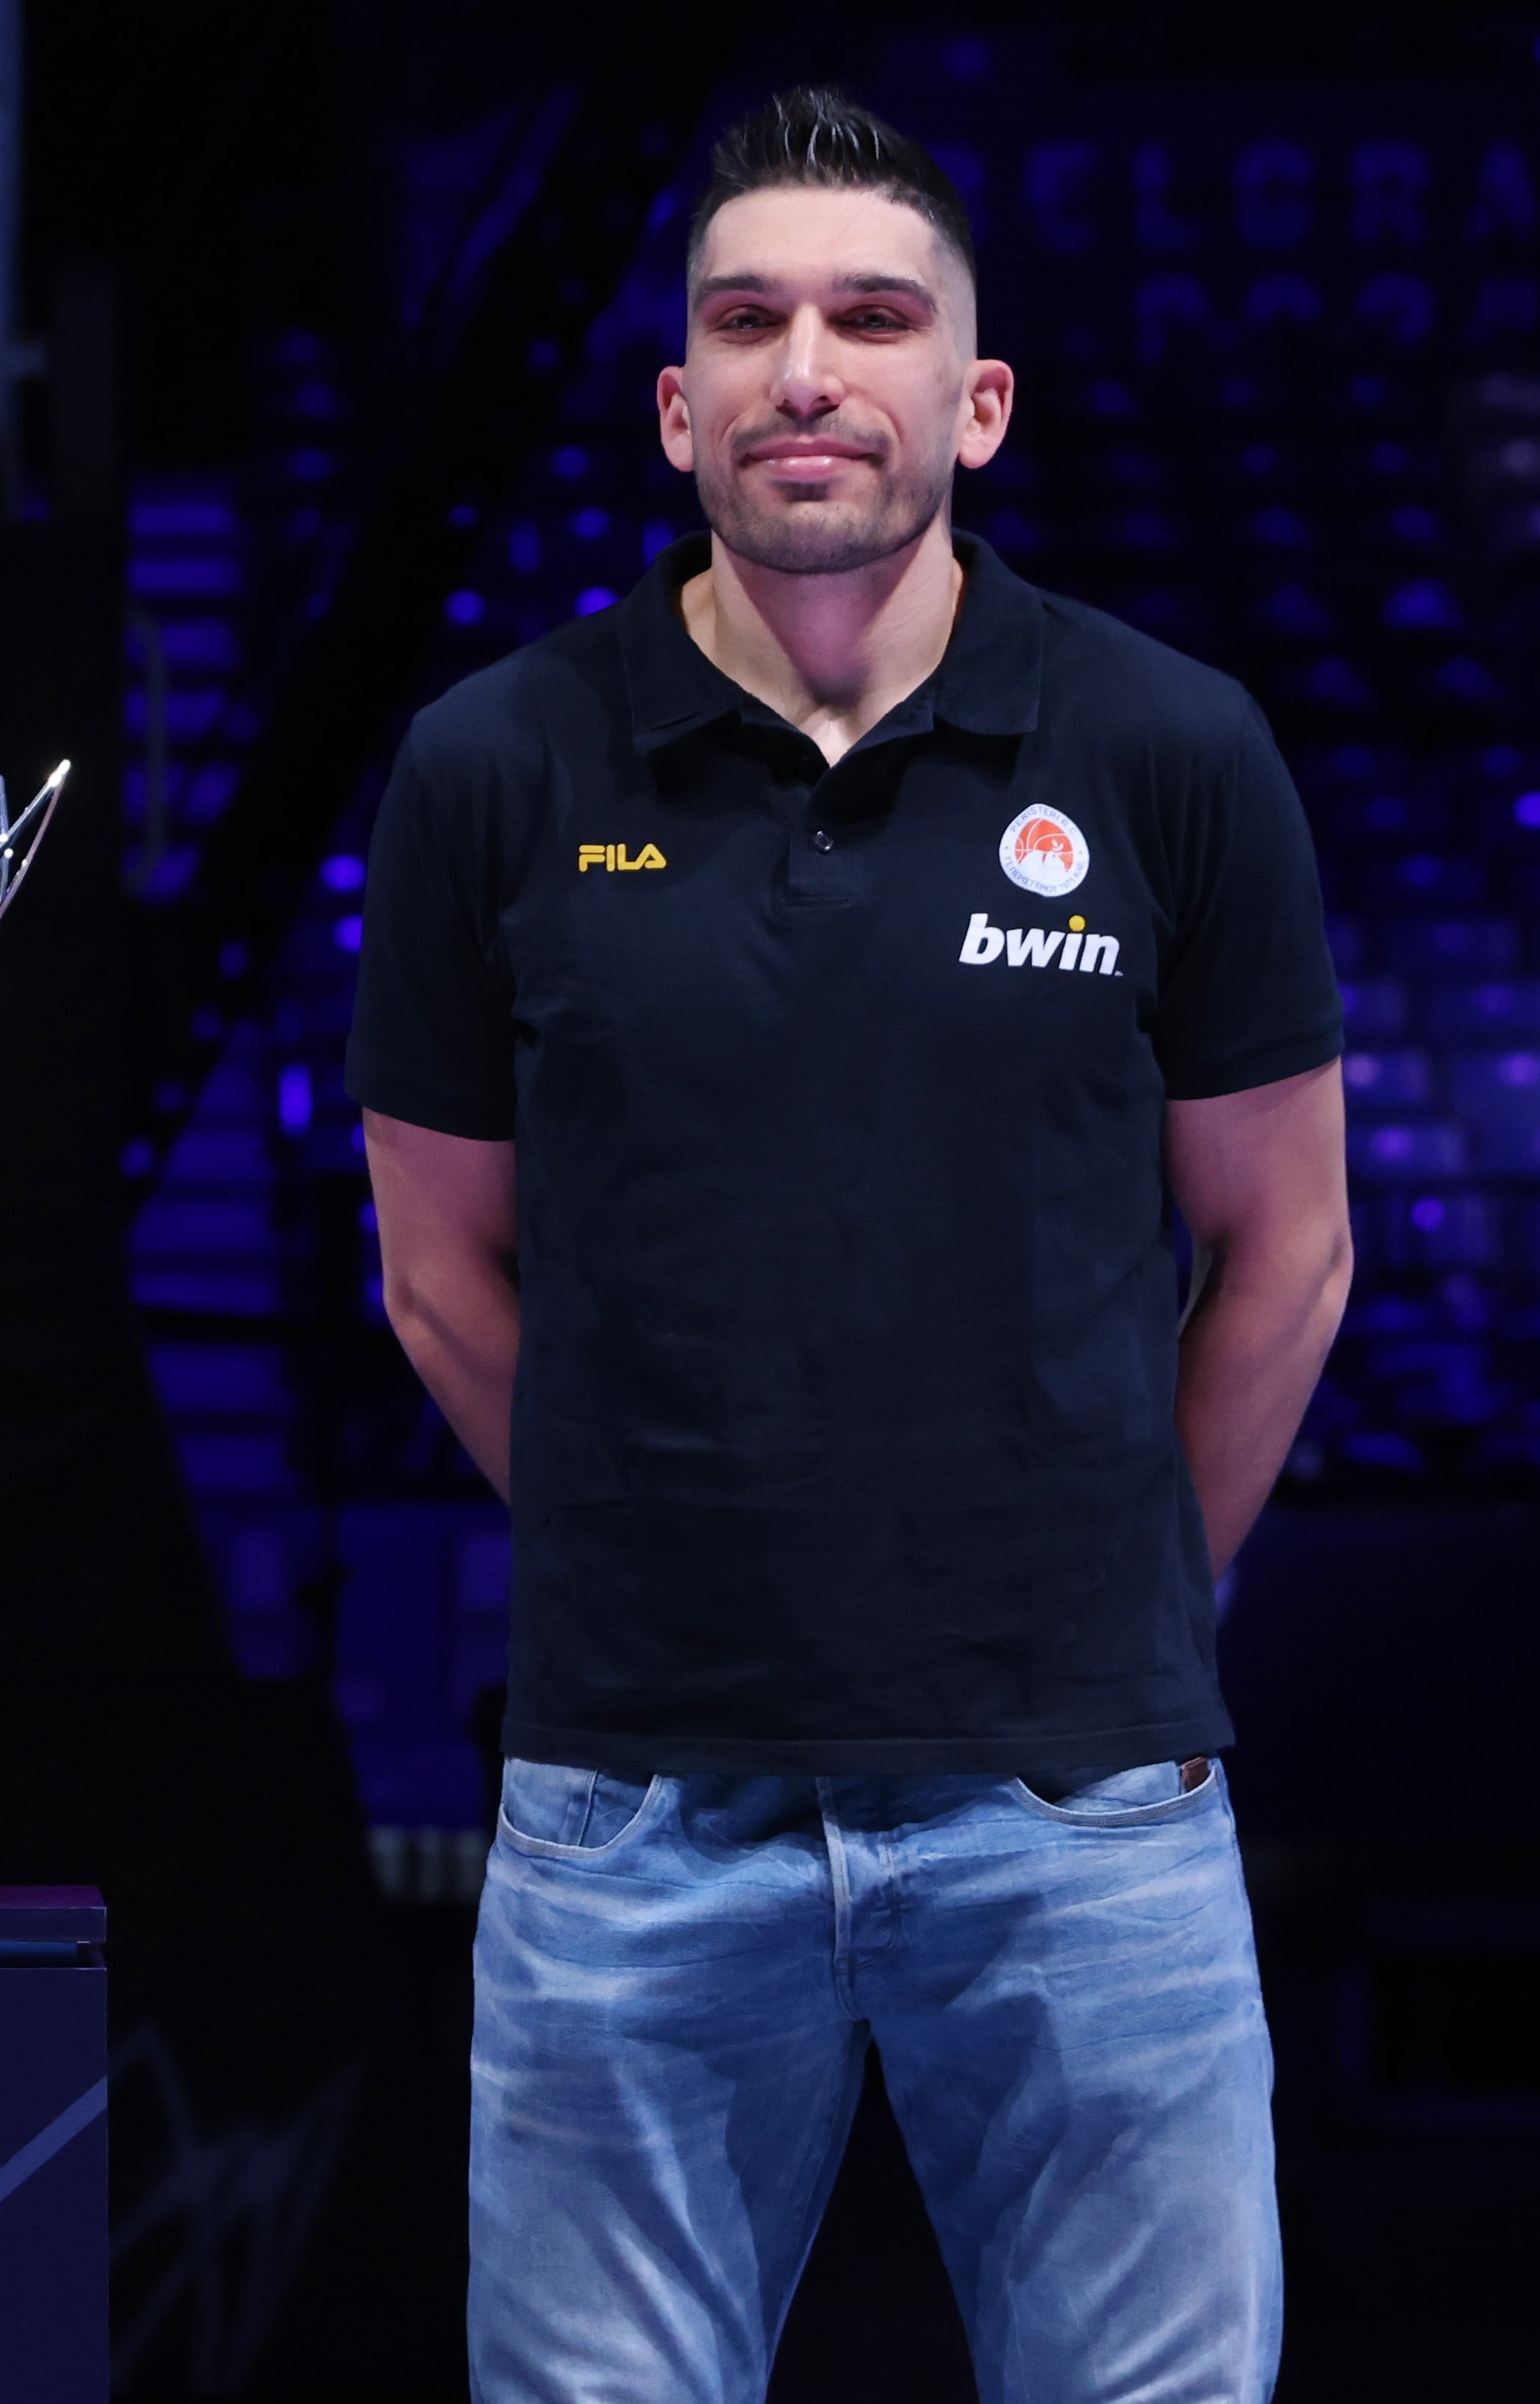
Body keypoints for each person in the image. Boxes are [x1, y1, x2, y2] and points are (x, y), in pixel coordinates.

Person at [350, 88, 1348, 2402]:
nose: (808, 368)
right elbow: (436, 1272)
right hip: (635, 1807)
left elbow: (1287, 1251)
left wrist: (1109, 1597)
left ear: (975, 403)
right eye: (749, 321)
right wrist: (669, 1546)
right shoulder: (493, 766)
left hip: (1087, 1811)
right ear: (675, 403)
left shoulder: (1170, 748)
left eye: (873, 318)